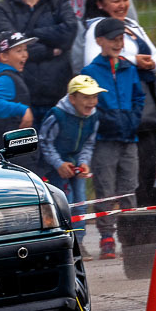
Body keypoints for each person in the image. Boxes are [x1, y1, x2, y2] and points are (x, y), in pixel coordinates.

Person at [80, 0, 156, 201]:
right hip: (117, 117)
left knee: (144, 173)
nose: (122, 5)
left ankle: (140, 216)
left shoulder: (133, 25)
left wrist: (151, 63)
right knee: (117, 182)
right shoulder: (97, 28)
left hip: (144, 111)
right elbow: (95, 63)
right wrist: (135, 60)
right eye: (115, 0)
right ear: (101, 4)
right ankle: (121, 221)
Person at [81, 18, 145, 260]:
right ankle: (106, 236)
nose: (118, 44)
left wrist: (133, 119)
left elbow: (139, 97)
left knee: (129, 188)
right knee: (105, 189)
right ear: (100, 41)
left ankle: (130, 236)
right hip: (104, 140)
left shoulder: (129, 68)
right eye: (113, 40)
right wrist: (107, 120)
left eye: (121, 39)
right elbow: (89, 104)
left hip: (129, 138)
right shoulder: (90, 72)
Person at [0, 0, 78, 109]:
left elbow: (69, 33)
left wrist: (30, 35)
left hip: (59, 100)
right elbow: (11, 51)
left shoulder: (59, 5)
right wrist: (51, 50)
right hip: (20, 101)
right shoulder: (1, 10)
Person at [38, 75, 102, 241]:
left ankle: (79, 242)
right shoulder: (57, 115)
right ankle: (65, 241)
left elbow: (88, 143)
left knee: (81, 203)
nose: (91, 102)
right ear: (73, 98)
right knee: (66, 203)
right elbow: (44, 141)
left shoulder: (94, 117)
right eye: (86, 97)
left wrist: (84, 162)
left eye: (94, 97)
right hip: (55, 167)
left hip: (76, 164)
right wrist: (58, 164)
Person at [0, 32, 36, 143]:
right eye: (19, 51)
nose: (25, 55)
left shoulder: (12, 74)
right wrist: (23, 110)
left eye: (25, 49)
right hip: (9, 144)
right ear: (4, 56)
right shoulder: (6, 78)